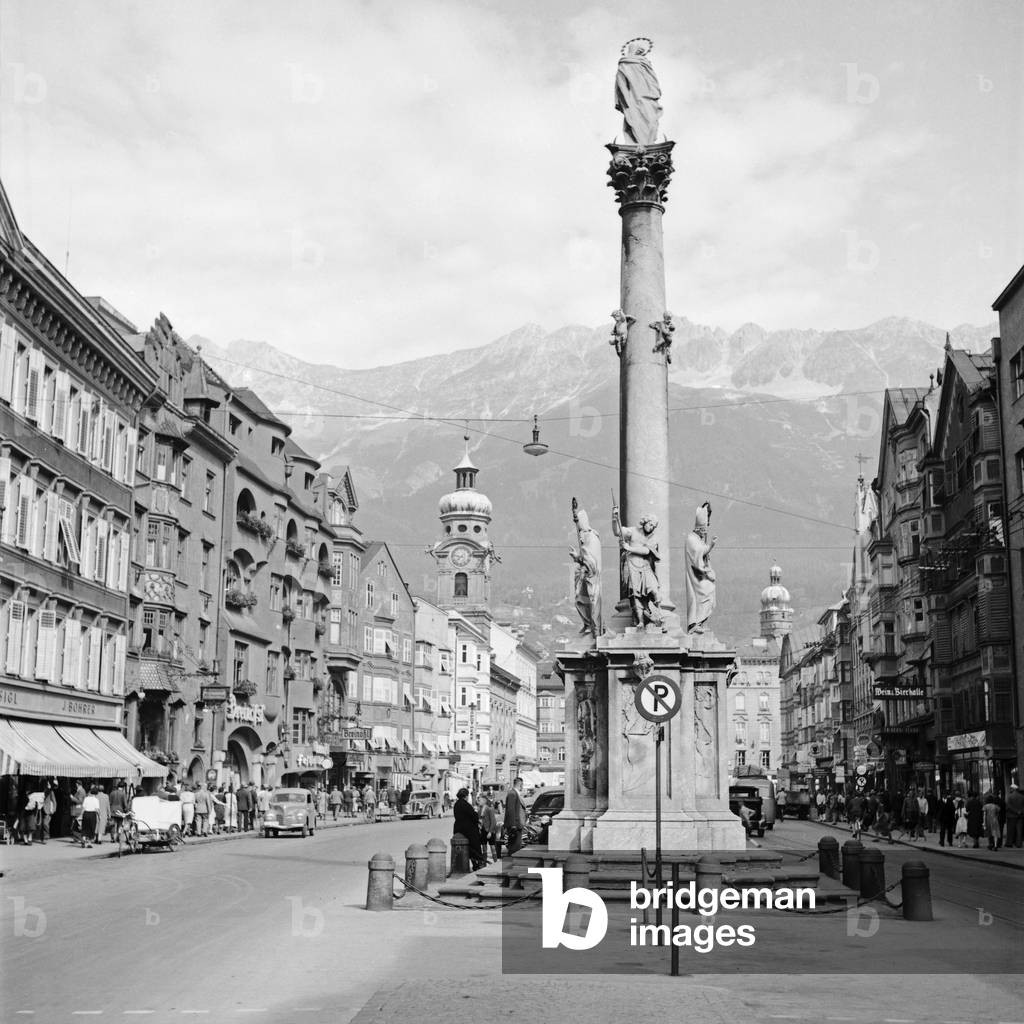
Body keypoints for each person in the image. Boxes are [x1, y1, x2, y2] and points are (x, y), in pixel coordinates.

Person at [452, 788, 485, 871]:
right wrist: (477, 815)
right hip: (468, 829)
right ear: (466, 796)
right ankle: (478, 864)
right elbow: (474, 816)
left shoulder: (456, 804)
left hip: (458, 828)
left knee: (468, 847)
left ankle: (475, 863)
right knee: (475, 845)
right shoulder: (466, 804)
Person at [503, 777, 527, 855]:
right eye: (522, 785)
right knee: (514, 847)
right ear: (520, 784)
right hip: (515, 825)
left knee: (516, 846)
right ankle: (509, 865)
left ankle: (511, 865)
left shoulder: (514, 793)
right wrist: (513, 825)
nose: (522, 787)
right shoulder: (512, 793)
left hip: (517, 824)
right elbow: (511, 810)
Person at [479, 794, 498, 865]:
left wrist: (490, 832)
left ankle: (495, 863)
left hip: (490, 831)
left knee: (492, 847)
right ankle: (484, 863)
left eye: (480, 800)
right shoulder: (480, 809)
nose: (479, 801)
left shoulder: (490, 809)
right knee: (484, 847)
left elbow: (493, 821)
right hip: (483, 830)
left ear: (484, 801)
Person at [1006, 784, 1024, 849]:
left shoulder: (1010, 797)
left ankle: (1009, 843)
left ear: (1013, 789)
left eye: (1011, 788)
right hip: (1020, 816)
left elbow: (1008, 806)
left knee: (1011, 830)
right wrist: (1020, 811)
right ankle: (1019, 844)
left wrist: (1016, 811)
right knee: (1019, 830)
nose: (1010, 790)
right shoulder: (1022, 796)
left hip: (1011, 816)